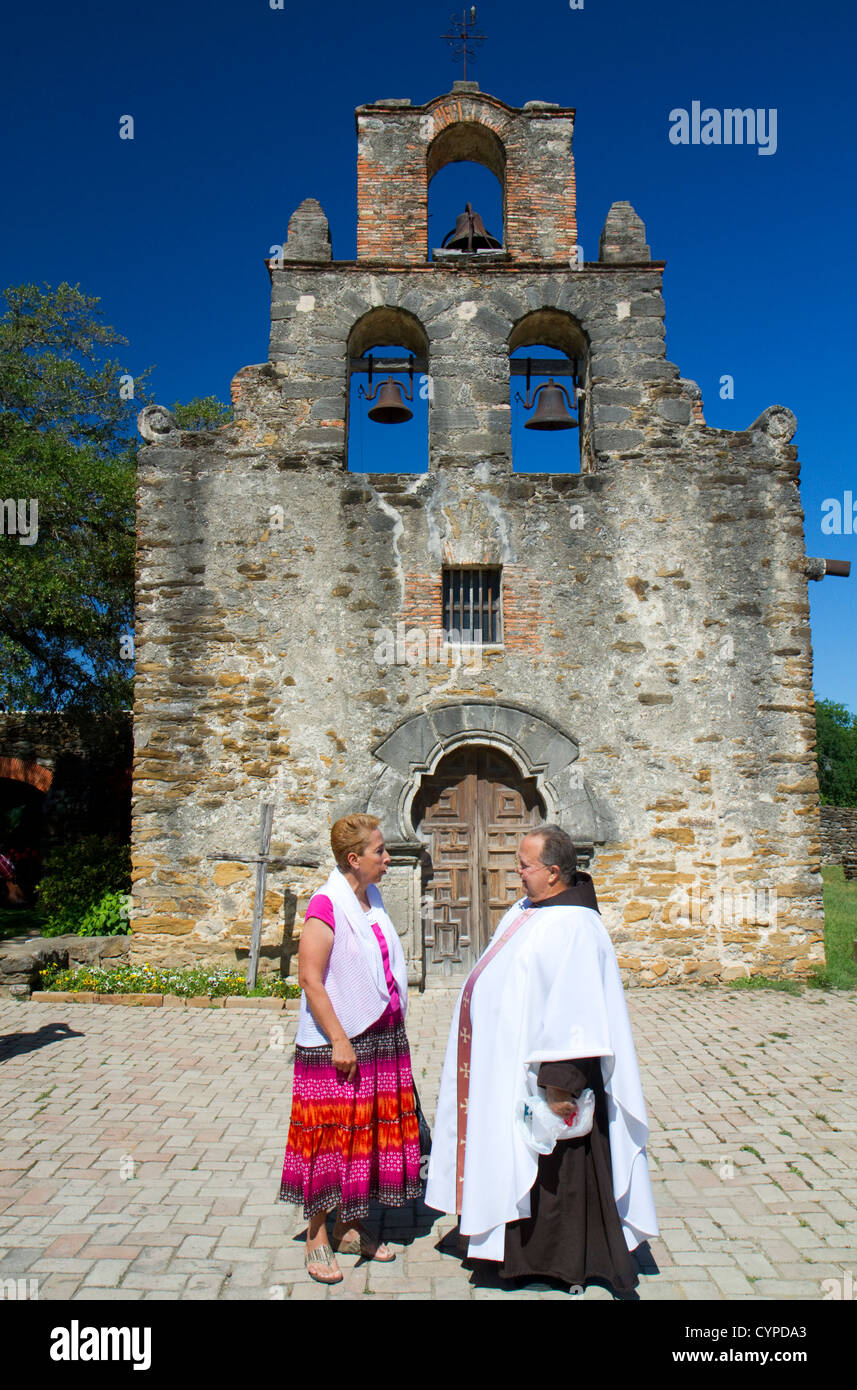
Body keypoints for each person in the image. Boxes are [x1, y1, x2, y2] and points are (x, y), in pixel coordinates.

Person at [425, 823, 658, 1294]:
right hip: (509, 1068)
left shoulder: (574, 927)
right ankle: (503, 1243)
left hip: (546, 1081)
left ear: (553, 872)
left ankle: (548, 1260)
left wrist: (560, 1084)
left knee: (554, 1171)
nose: (516, 872)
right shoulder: (530, 910)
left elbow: (576, 1013)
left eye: (525, 865)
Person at [278, 813, 422, 1284]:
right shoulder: (326, 905)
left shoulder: (371, 898)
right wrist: (340, 1038)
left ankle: (351, 1224)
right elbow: (310, 980)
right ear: (353, 859)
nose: (387, 857)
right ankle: (317, 1234)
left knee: (366, 1136)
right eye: (379, 851)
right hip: (336, 1042)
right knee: (329, 1137)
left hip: (380, 1038)